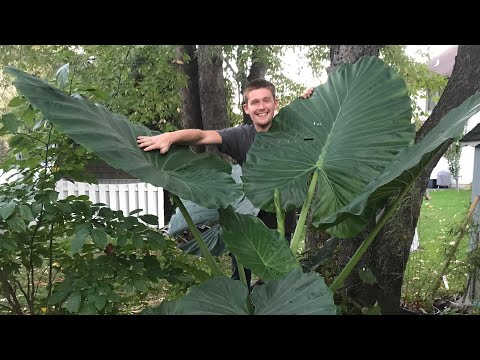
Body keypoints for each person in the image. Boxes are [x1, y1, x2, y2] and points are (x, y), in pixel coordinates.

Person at [137, 79, 313, 289]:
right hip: (246, 225)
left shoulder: (290, 132)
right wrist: (170, 137)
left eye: (266, 100)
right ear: (246, 108)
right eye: (255, 102)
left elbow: (321, 128)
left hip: (281, 224)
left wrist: (307, 103)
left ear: (276, 103)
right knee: (240, 285)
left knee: (282, 287)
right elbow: (203, 136)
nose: (261, 106)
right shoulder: (242, 136)